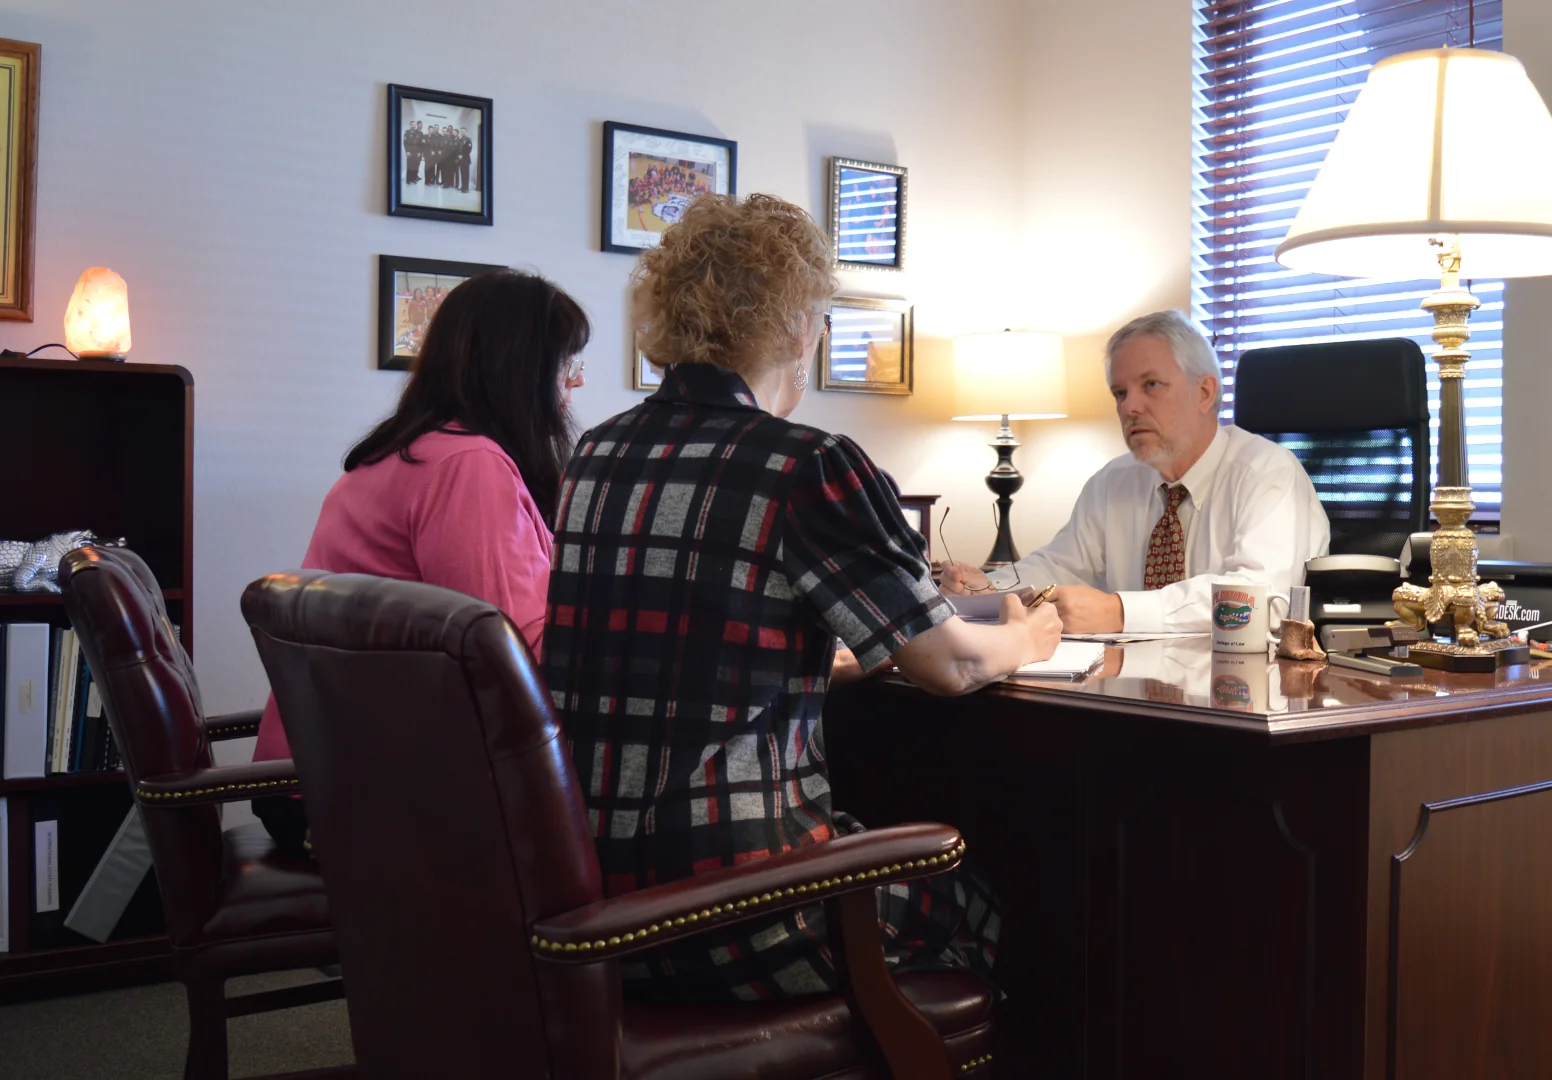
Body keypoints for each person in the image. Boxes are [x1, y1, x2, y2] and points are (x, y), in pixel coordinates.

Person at [543, 192, 1060, 1003]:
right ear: (798, 326)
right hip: (740, 909)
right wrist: (1030, 639)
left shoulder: (597, 451)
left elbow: (677, 659)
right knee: (1014, 902)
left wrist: (820, 669)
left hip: (589, 900)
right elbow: (951, 665)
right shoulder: (806, 464)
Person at [250, 269, 589, 853]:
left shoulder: (399, 452)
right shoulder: (468, 466)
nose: (575, 384)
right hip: (367, 791)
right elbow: (510, 653)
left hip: (316, 777)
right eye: (565, 366)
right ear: (521, 369)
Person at [942, 310, 1330, 633]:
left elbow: (1258, 599)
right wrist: (991, 587)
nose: (1130, 407)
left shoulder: (1267, 473)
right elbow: (1060, 564)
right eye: (1120, 393)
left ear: (1205, 393)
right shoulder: (1113, 481)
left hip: (1243, 693)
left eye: (1151, 385)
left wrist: (1120, 612)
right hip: (1129, 689)